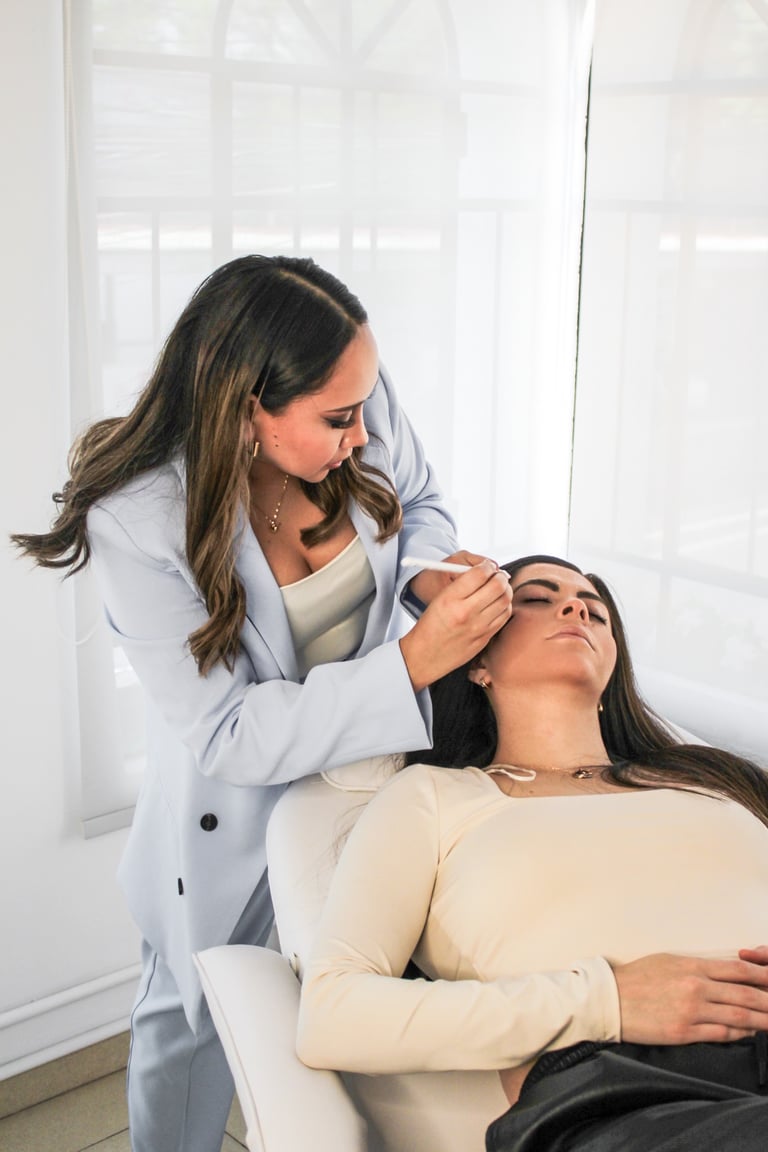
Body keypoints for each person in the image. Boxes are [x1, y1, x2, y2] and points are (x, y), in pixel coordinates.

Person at [10, 254, 513, 1152]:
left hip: (370, 787)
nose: (362, 433)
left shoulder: (354, 393)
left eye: (364, 405)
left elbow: (425, 502)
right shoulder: (139, 517)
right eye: (336, 418)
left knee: (359, 1017)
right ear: (247, 406)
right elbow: (230, 734)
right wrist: (410, 665)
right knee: (188, 1026)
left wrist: (428, 581)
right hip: (232, 818)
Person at [297, 554, 768, 1150]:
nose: (577, 607)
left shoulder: (712, 782)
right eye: (539, 599)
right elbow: (333, 1014)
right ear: (478, 661)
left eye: (595, 610)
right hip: (633, 1094)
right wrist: (606, 999)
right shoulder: (434, 798)